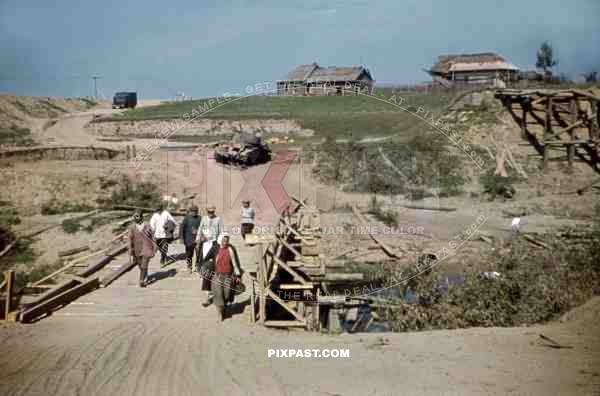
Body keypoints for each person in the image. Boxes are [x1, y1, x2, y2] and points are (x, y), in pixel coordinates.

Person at [211, 233, 242, 322]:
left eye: (227, 240)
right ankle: (219, 314)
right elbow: (206, 259)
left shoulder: (231, 249)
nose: (225, 242)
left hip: (228, 276)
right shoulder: (215, 249)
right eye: (224, 240)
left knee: (227, 295)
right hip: (217, 276)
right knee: (218, 295)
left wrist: (238, 275)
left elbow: (236, 263)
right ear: (220, 240)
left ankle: (223, 309)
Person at [128, 210, 155, 287]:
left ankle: (141, 280)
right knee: (140, 265)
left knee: (144, 264)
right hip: (137, 249)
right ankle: (145, 275)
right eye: (135, 216)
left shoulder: (147, 225)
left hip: (147, 248)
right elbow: (129, 239)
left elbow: (153, 237)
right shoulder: (132, 227)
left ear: (141, 217)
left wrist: (154, 248)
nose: (136, 218)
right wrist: (130, 250)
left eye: (137, 216)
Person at [197, 229, 219, 307]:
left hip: (210, 267)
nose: (202, 237)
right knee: (204, 281)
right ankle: (210, 296)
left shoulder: (215, 245)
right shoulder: (202, 244)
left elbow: (217, 257)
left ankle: (210, 298)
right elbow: (199, 255)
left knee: (207, 281)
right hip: (202, 266)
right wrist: (198, 265)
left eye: (203, 235)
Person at [180, 205, 201, 273]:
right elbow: (182, 228)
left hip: (198, 240)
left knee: (199, 254)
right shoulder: (186, 218)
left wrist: (198, 231)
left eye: (195, 211)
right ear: (190, 211)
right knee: (189, 255)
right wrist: (182, 238)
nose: (194, 212)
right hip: (188, 240)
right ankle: (189, 267)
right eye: (193, 211)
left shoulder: (200, 218)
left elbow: (204, 228)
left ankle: (197, 266)